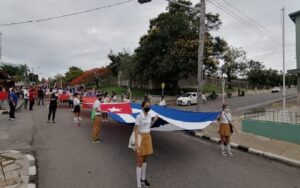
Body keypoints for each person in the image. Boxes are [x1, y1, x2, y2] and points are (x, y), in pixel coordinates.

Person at [134, 101, 158, 188]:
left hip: (148, 137)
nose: (148, 107)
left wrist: (154, 121)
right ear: (142, 107)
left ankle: (143, 179)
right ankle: (138, 184)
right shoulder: (139, 116)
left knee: (145, 159)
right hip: (140, 137)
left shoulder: (149, 116)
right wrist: (137, 144)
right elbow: (136, 130)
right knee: (139, 161)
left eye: (149, 106)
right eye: (147, 106)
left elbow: (148, 127)